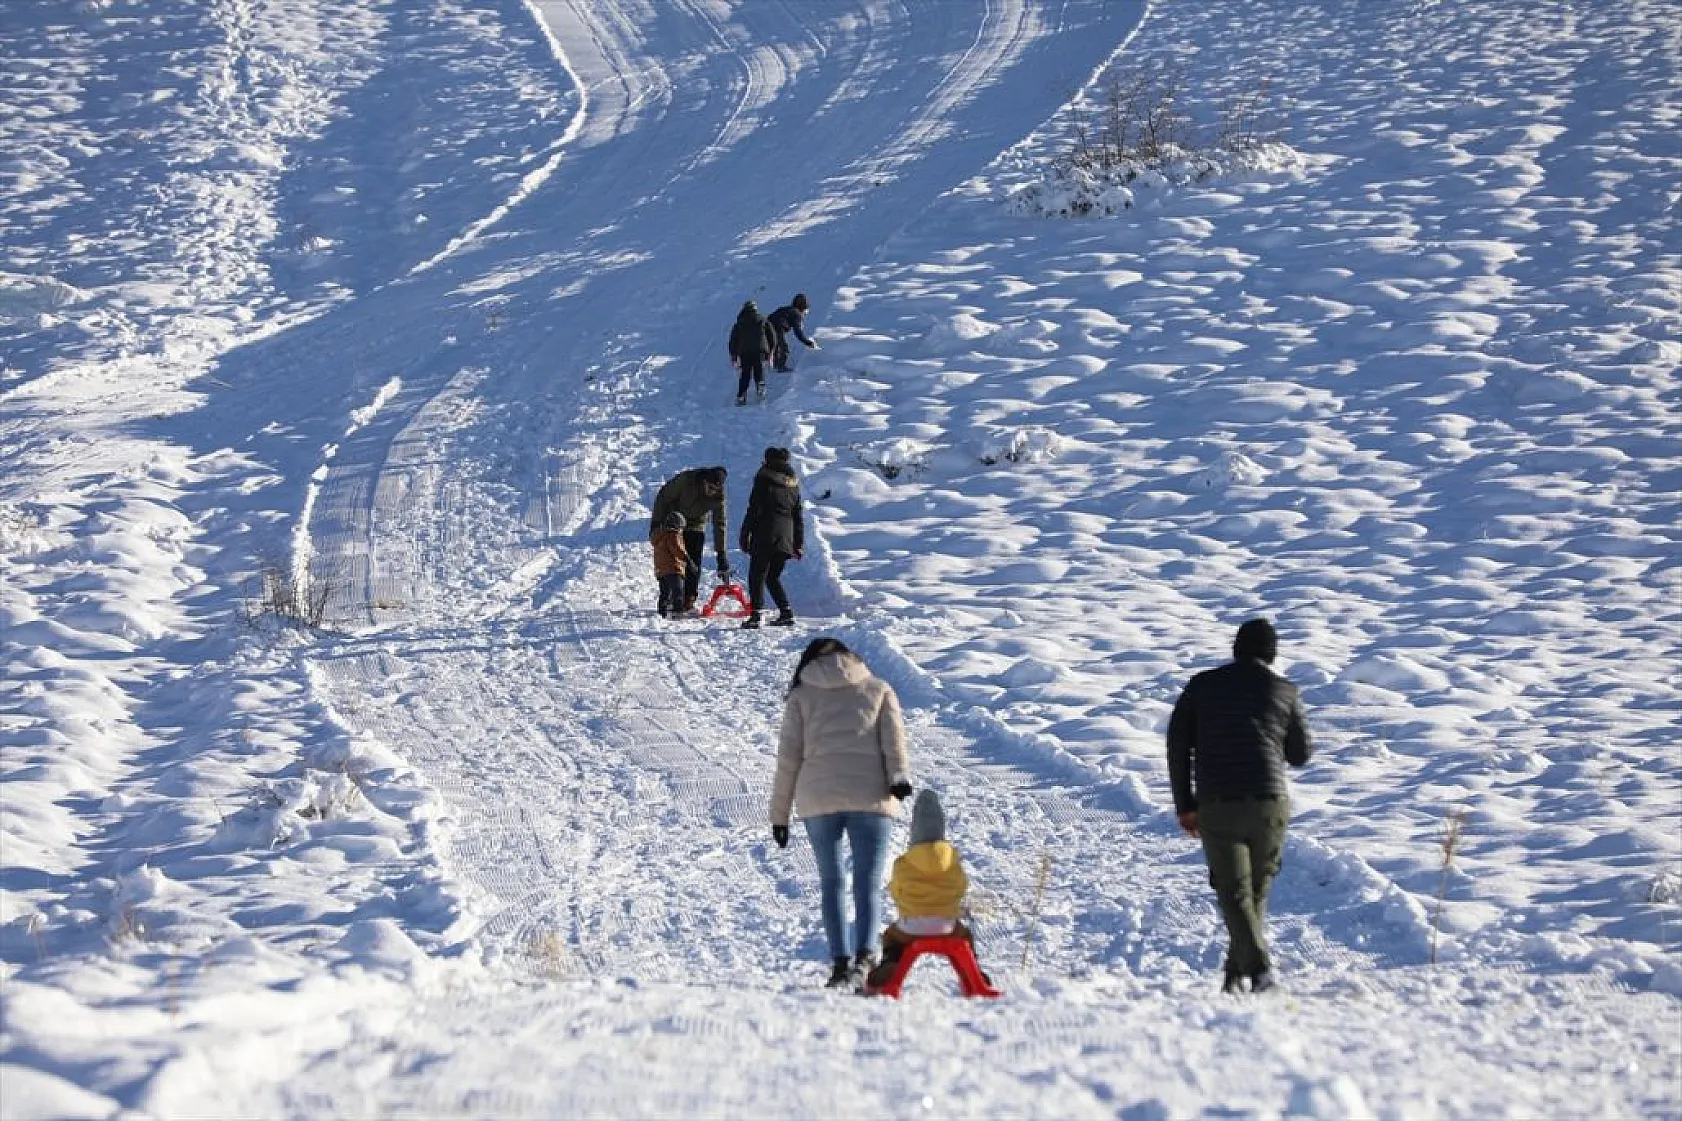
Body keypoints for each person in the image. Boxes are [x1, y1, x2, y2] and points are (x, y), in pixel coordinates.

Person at [1166, 617, 1314, 995]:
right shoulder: (1285, 691)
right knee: (1256, 893)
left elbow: (1178, 745)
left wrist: (1185, 804)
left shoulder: (1202, 686)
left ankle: (1257, 972)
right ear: (1272, 653)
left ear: (1236, 648)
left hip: (1219, 804)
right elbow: (1300, 754)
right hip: (1270, 803)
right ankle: (1236, 975)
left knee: (1234, 892)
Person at [769, 638, 912, 987]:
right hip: (871, 797)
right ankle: (865, 958)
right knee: (868, 882)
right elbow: (894, 742)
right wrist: (898, 779)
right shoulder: (878, 689)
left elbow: (788, 759)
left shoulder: (801, 696)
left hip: (818, 798)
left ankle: (840, 964)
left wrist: (779, 816)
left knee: (831, 882)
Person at [864, 789, 991, 990]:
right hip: (946, 927)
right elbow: (961, 887)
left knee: (891, 936)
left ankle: (890, 963)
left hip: (911, 928)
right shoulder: (952, 860)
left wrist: (907, 908)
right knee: (965, 935)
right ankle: (973, 971)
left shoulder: (904, 862)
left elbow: (896, 891)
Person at [738, 446, 804, 630]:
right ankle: (786, 612)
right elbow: (798, 516)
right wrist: (798, 543)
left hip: (765, 533)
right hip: (786, 536)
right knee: (772, 576)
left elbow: (754, 509)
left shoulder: (763, 479)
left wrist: (745, 534)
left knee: (757, 575)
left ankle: (756, 615)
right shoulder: (793, 485)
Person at [649, 466, 730, 613]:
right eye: (710, 487)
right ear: (704, 481)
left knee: (694, 561)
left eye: (715, 489)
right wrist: (656, 522)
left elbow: (720, 524)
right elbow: (664, 496)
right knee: (674, 560)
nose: (711, 492)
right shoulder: (686, 480)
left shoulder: (719, 498)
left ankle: (689, 599)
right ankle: (671, 596)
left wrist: (721, 553)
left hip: (696, 524)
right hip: (675, 520)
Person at [728, 300, 776, 405]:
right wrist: (771, 351)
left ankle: (741, 396)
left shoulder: (739, 323)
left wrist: (733, 356)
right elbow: (772, 336)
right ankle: (760, 387)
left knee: (745, 374)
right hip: (760, 350)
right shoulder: (763, 320)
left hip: (744, 352)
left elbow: (733, 341)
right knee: (759, 369)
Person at [651, 511, 689, 618]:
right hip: (673, 568)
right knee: (678, 591)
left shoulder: (659, 535)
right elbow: (677, 550)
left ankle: (662, 611)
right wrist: (687, 559)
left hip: (661, 570)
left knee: (665, 592)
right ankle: (678, 610)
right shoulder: (673, 535)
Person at [768, 293, 818, 373]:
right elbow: (798, 332)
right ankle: (780, 366)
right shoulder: (796, 314)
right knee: (785, 348)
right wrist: (807, 342)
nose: (806, 313)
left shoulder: (787, 309)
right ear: (803, 308)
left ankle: (776, 363)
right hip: (777, 328)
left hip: (768, 327)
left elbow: (771, 317)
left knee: (777, 345)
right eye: (806, 310)